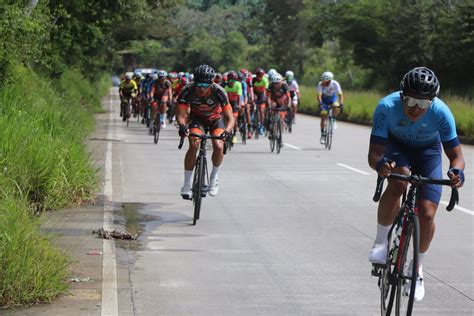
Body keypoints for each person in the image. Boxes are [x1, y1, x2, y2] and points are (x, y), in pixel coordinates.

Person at [367, 67, 465, 302]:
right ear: (401, 96)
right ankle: (381, 242)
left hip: (428, 154)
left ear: (433, 102)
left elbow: (457, 156)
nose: (414, 108)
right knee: (399, 182)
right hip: (396, 149)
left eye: (423, 103)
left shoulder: (442, 113)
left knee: (428, 212)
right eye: (410, 100)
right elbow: (374, 154)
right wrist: (380, 165)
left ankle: (417, 270)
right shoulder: (386, 107)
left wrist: (457, 172)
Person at [176, 65, 235, 198]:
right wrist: (182, 126)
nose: (201, 88)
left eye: (205, 85)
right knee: (194, 144)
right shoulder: (187, 90)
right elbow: (180, 114)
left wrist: (228, 130)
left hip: (216, 120)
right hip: (198, 119)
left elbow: (230, 117)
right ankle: (186, 185)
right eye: (198, 84)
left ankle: (214, 178)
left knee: (218, 145)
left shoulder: (219, 91)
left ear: (211, 83)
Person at [317, 71, 344, 144]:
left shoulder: (335, 84)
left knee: (335, 106)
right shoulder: (320, 84)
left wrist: (341, 103)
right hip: (324, 101)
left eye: (325, 81)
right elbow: (319, 95)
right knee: (323, 115)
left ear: (330, 80)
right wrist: (320, 103)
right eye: (323, 80)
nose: (323, 82)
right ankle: (323, 134)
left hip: (333, 99)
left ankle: (334, 120)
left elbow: (340, 94)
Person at [225, 71, 243, 144]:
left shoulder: (238, 84)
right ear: (228, 80)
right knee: (226, 118)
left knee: (234, 119)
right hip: (227, 103)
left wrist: (239, 105)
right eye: (231, 80)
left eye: (234, 81)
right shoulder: (224, 85)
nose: (232, 82)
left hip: (235, 103)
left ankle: (234, 135)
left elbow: (239, 96)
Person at [253, 68, 269, 135]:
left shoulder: (265, 80)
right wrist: (253, 97)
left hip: (262, 94)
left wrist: (266, 99)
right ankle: (253, 121)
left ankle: (262, 125)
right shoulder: (253, 80)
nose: (259, 77)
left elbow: (266, 91)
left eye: (261, 76)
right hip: (255, 94)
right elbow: (250, 90)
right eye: (258, 76)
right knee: (252, 107)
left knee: (262, 110)